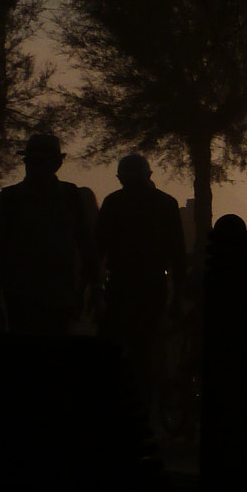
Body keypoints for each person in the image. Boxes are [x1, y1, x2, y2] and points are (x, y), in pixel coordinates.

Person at [96, 154, 187, 408]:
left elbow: (98, 249)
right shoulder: (166, 204)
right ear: (149, 176)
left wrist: (93, 288)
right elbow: (178, 255)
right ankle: (142, 406)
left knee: (112, 348)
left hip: (120, 286)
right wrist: (177, 296)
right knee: (144, 350)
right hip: (153, 286)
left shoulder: (113, 203)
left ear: (121, 178)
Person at [0, 134, 96, 334]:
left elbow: (87, 248)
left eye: (41, 161)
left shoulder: (71, 197)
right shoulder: (10, 199)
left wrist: (86, 291)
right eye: (32, 161)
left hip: (59, 296)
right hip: (20, 297)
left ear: (57, 163)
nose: (36, 167)